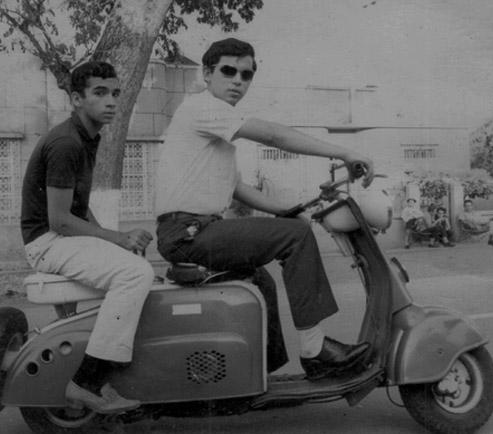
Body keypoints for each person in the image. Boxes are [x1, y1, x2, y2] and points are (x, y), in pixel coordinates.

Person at [155, 38, 372, 381]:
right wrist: (344, 152)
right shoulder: (203, 108)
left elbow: (239, 188)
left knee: (262, 278)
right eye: (228, 71)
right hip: (189, 233)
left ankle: (256, 375)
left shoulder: (215, 129)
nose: (238, 81)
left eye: (246, 75)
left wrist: (287, 209)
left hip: (193, 231)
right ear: (207, 74)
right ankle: (314, 350)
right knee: (297, 236)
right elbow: (274, 136)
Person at [20, 61, 154, 413]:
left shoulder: (86, 136)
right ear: (77, 99)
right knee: (136, 273)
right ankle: (87, 383)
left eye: (115, 93)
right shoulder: (67, 142)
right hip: (48, 242)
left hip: (57, 238)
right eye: (100, 93)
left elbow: (77, 209)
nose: (111, 101)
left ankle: (83, 357)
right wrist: (117, 237)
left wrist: (114, 239)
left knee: (130, 264)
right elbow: (60, 220)